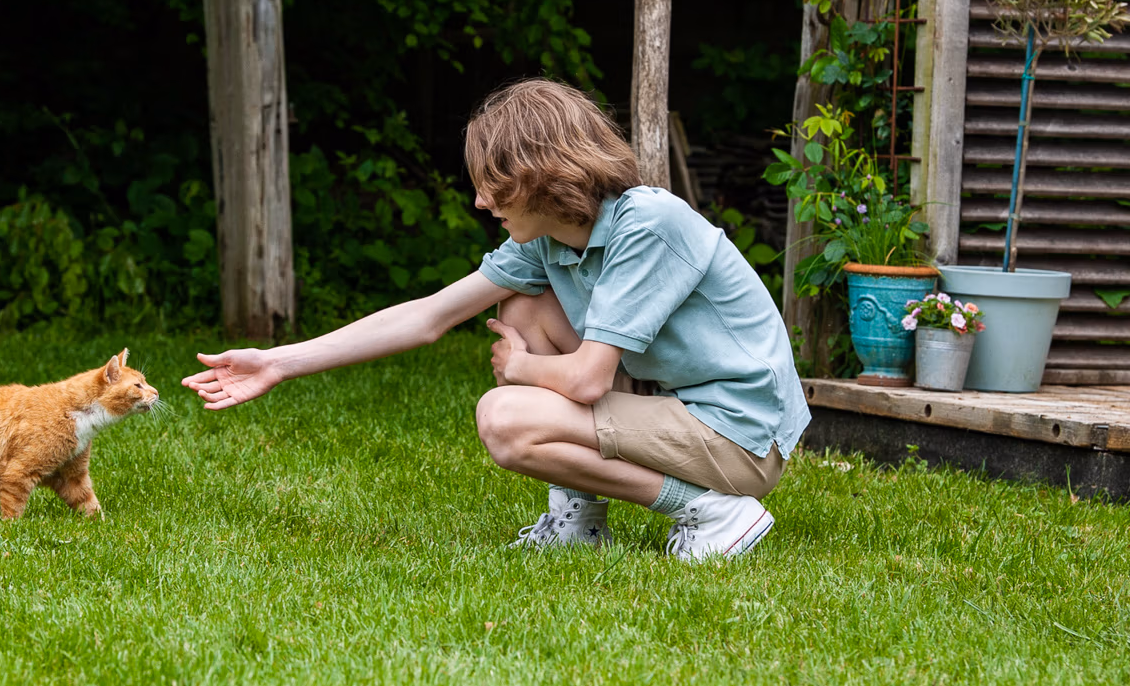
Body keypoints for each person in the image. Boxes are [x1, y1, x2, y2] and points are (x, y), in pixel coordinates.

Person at [181, 78, 810, 561]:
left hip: (742, 439)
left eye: (493, 183)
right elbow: (429, 316)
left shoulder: (648, 224)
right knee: (523, 305)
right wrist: (278, 362)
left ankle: (712, 513)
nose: (481, 201)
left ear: (539, 176)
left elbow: (589, 381)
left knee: (504, 419)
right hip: (681, 411)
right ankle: (578, 523)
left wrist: (521, 366)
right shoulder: (549, 242)